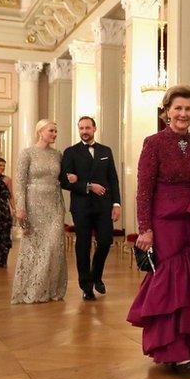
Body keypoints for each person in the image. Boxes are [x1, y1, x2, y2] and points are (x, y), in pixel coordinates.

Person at [128, 85, 190, 372]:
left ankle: (189, 346)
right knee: (170, 281)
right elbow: (143, 190)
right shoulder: (153, 143)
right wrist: (145, 229)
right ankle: (169, 347)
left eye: (188, 108)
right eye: (178, 108)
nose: (183, 113)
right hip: (164, 220)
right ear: (167, 112)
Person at [59, 116, 122, 301]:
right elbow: (64, 181)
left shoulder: (105, 151)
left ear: (94, 128)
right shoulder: (71, 152)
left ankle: (96, 275)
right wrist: (87, 185)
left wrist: (116, 204)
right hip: (82, 207)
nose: (84, 131)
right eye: (81, 128)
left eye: (87, 127)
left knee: (105, 241)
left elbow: (113, 180)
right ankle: (86, 286)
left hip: (104, 206)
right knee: (83, 246)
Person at [11, 120, 68, 304]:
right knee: (35, 248)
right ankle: (34, 290)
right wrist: (20, 207)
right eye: (51, 130)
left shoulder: (58, 155)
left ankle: (51, 289)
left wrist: (71, 178)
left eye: (56, 131)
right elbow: (19, 182)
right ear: (40, 131)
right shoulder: (27, 153)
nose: (54, 134)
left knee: (53, 246)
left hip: (55, 205)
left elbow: (63, 179)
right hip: (34, 204)